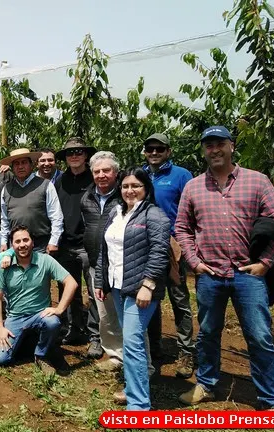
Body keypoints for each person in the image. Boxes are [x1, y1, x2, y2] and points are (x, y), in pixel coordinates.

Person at [175, 126, 274, 424]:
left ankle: (271, 399)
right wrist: (194, 261)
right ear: (204, 150)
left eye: (220, 144)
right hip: (210, 274)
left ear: (231, 146)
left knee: (260, 335)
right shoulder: (194, 187)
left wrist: (265, 261)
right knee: (208, 332)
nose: (214, 150)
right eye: (209, 145)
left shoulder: (257, 181)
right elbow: (183, 228)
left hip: (248, 273)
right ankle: (207, 384)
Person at [95, 167, 170, 411]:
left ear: (146, 188)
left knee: (133, 341)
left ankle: (139, 404)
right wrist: (101, 281)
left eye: (136, 186)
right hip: (117, 286)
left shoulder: (154, 215)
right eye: (126, 186)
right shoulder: (116, 213)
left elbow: (160, 252)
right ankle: (132, 388)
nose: (130, 191)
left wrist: (148, 285)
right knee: (130, 339)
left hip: (140, 289)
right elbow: (104, 251)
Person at [141, 133, 195, 378]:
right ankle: (155, 347)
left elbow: (191, 210)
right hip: (145, 245)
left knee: (179, 298)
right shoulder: (141, 174)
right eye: (150, 149)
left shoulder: (182, 176)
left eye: (159, 149)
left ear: (168, 151)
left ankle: (186, 351)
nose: (154, 153)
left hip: (173, 246)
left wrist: (186, 242)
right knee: (149, 297)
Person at [0, 226, 78, 373]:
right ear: (12, 245)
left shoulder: (45, 260)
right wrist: (0, 327)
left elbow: (71, 283)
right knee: (1, 359)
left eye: (26, 240)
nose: (22, 244)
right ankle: (30, 344)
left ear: (32, 242)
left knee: (52, 322)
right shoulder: (4, 266)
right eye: (17, 241)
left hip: (40, 315)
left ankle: (41, 355)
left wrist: (59, 309)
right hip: (15, 317)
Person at [53, 138, 97, 355]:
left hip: (89, 244)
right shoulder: (60, 181)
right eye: (70, 152)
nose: (74, 155)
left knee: (94, 291)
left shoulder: (95, 177)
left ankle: (95, 336)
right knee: (69, 290)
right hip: (66, 244)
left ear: (86, 154)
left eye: (78, 151)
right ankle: (74, 329)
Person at [80, 151, 124, 369]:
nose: (101, 175)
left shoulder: (125, 195)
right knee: (105, 311)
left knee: (126, 311)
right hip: (97, 262)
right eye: (97, 171)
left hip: (121, 264)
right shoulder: (87, 197)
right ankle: (115, 354)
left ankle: (138, 357)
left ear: (116, 172)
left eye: (106, 170)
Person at [0, 148, 64, 254]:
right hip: (16, 246)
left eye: (24, 162)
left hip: (41, 246)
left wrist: (53, 242)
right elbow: (4, 219)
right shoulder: (6, 189)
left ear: (31, 164)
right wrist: (3, 242)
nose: (20, 166)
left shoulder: (45, 185)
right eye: (16, 164)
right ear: (12, 167)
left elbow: (56, 216)